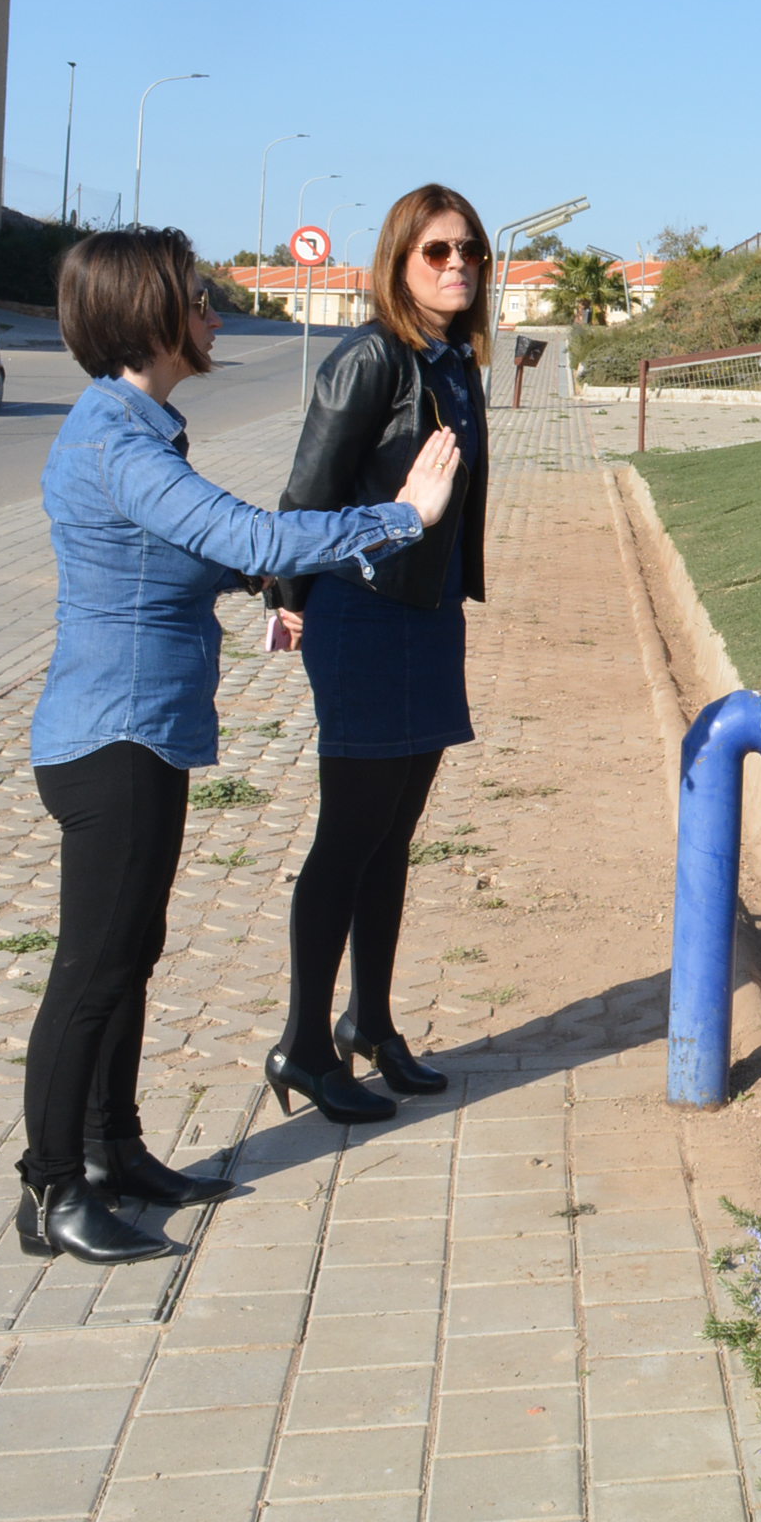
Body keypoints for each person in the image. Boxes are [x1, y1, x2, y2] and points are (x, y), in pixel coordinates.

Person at [25, 228, 458, 1265]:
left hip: (143, 734)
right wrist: (401, 516)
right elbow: (254, 533)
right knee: (91, 973)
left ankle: (114, 1151)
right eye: (197, 297)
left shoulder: (137, 431)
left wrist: (258, 586)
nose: (214, 312)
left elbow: (191, 556)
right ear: (150, 316)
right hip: (113, 739)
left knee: (131, 956)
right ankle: (51, 1191)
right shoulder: (117, 443)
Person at [262, 184, 495, 1123]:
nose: (457, 264)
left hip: (428, 617)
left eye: (470, 250)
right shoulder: (370, 359)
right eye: (437, 251)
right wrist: (290, 604)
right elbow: (307, 494)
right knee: (349, 836)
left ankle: (371, 1022)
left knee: (394, 835)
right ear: (399, 262)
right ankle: (304, 1044)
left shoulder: (456, 362)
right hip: (361, 617)